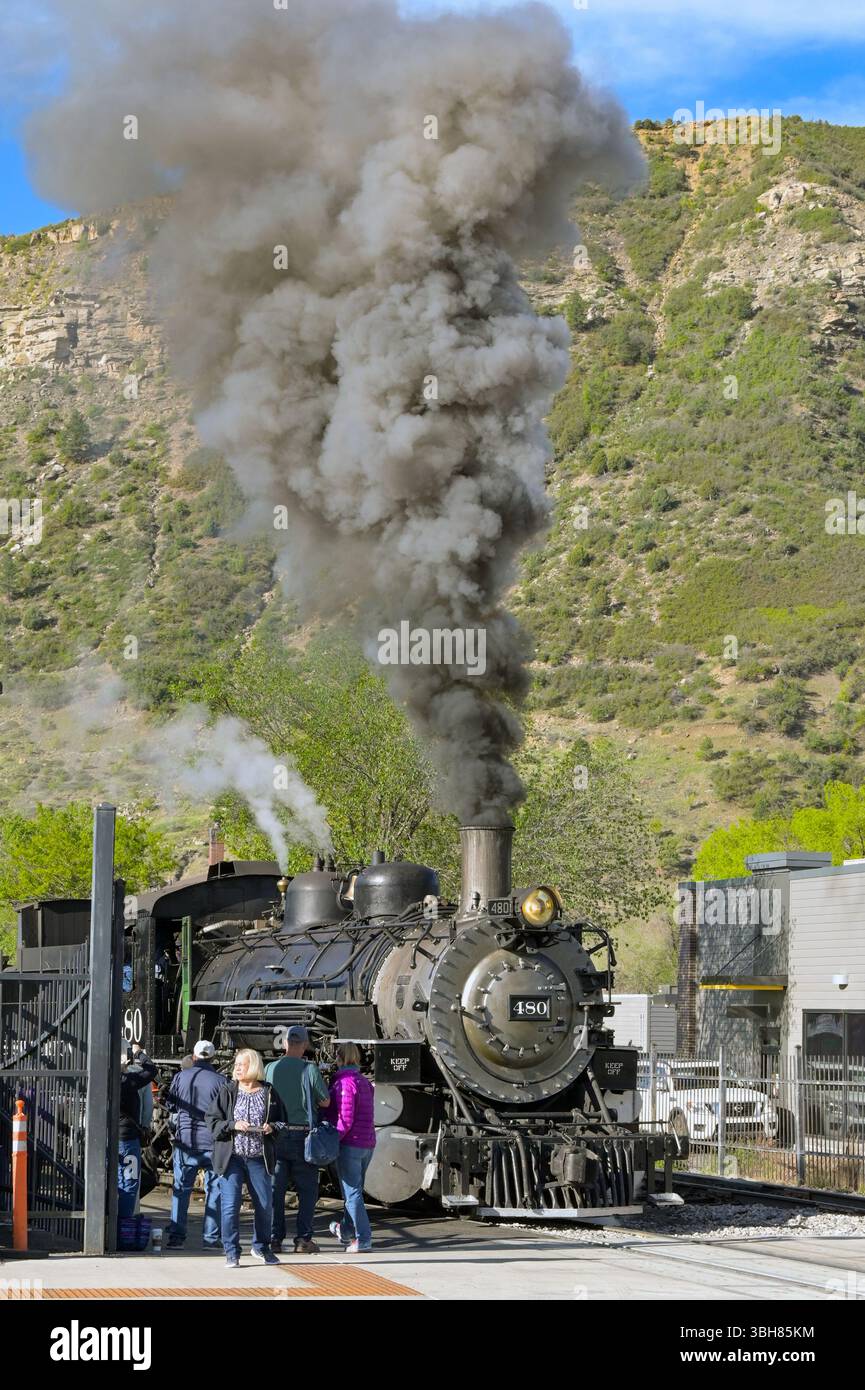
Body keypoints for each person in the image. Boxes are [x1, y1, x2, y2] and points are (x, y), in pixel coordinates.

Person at [206, 1048, 287, 1270]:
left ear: (253, 1066)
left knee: (264, 1205)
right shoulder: (227, 1091)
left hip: (258, 1158)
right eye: (236, 1064)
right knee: (231, 1205)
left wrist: (272, 1127)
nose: (237, 1068)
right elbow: (212, 1121)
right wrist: (232, 1125)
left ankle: (261, 1246)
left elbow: (283, 1122)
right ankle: (232, 1252)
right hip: (232, 1157)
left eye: (242, 1064)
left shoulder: (269, 1092)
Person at [265, 1025, 330, 1254]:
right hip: (303, 1137)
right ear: (304, 1045)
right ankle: (303, 1240)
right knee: (307, 1191)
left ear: (284, 1044)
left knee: (276, 1191)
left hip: (276, 1135)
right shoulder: (309, 1069)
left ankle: (274, 1239)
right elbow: (325, 1102)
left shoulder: (270, 1068)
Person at [164, 1039, 227, 1250]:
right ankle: (210, 1238)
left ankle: (176, 1237)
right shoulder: (221, 1081)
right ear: (213, 1057)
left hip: (186, 1143)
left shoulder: (181, 1077)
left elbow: (171, 1106)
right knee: (214, 1190)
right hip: (212, 1143)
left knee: (181, 1189)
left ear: (194, 1056)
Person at [326, 1043, 377, 1254]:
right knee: (354, 1192)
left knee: (352, 1193)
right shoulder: (364, 1082)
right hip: (367, 1143)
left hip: (351, 1144)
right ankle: (346, 1231)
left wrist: (332, 1139)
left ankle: (363, 1238)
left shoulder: (345, 1084)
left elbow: (345, 1120)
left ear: (339, 1058)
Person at [118, 1043, 157, 1222]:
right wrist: (139, 1053)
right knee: (129, 1182)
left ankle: (110, 1223)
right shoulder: (129, 1080)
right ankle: (122, 1226)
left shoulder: (100, 1078)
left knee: (115, 1181)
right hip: (126, 1138)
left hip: (106, 1138)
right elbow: (151, 1070)